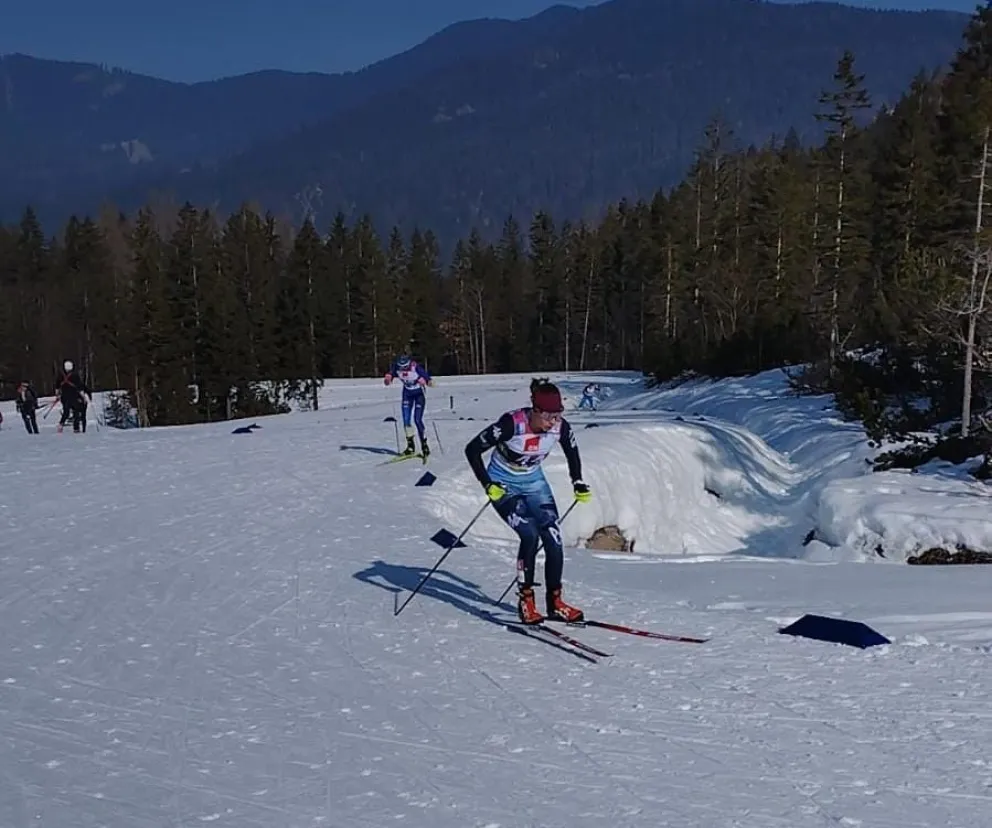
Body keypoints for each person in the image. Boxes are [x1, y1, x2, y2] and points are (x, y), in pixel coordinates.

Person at [464, 377, 592, 625]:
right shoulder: (511, 424)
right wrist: (488, 485)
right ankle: (526, 601)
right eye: (548, 417)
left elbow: (572, 451)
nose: (553, 423)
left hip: (534, 483)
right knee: (529, 535)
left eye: (558, 416)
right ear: (535, 410)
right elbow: (472, 449)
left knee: (554, 538)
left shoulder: (560, 427)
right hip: (503, 484)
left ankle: (555, 603)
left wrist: (577, 481)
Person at [384, 353, 433, 458]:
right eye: (401, 367)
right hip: (407, 394)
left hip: (419, 394)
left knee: (417, 420)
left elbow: (429, 380)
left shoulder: (416, 367)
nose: (403, 369)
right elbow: (390, 376)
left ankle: (424, 445)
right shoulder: (397, 367)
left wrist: (427, 382)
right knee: (406, 420)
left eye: (405, 367)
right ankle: (410, 446)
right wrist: (388, 379)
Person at [55, 360, 90, 434]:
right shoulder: (75, 376)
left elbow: (57, 387)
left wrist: (57, 396)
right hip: (74, 397)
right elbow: (80, 387)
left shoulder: (60, 376)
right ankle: (76, 428)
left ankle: (61, 424)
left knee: (66, 412)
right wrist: (83, 396)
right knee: (76, 412)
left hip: (64, 397)